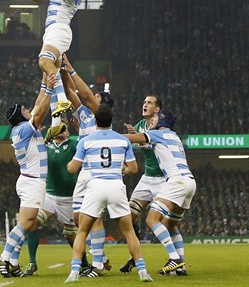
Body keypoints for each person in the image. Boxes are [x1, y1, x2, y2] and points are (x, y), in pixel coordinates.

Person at [64, 104, 152, 283]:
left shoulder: (86, 141)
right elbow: (134, 169)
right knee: (128, 232)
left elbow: (73, 168)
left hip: (95, 186)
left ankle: (74, 273)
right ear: (112, 120)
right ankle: (142, 271)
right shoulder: (123, 140)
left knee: (82, 231)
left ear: (95, 121)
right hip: (115, 186)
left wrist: (69, 164)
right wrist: (123, 171)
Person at [0, 73, 56, 278]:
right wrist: (51, 90)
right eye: (25, 110)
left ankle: (12, 262)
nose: (29, 109)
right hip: (32, 182)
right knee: (26, 223)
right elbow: (40, 111)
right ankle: (3, 257)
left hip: (30, 180)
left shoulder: (22, 129)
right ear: (21, 116)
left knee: (27, 223)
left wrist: (45, 85)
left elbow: (37, 106)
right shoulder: (22, 129)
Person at [59, 55, 114, 276]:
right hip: (84, 173)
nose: (93, 95)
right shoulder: (84, 116)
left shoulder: (103, 117)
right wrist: (62, 70)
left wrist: (70, 67)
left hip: (97, 173)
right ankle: (100, 256)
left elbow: (84, 94)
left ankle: (98, 264)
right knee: (77, 218)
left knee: (94, 218)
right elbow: (72, 93)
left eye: (97, 95)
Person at [10, 0, 85, 119]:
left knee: (44, 61)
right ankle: (55, 123)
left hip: (59, 30)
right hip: (52, 32)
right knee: (46, 83)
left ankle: (63, 100)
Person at [124, 110, 196, 275]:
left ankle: (174, 258)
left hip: (176, 181)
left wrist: (107, 136)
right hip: (189, 182)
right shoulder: (173, 136)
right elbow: (145, 144)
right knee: (170, 225)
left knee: (152, 219)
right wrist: (141, 137)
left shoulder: (158, 134)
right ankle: (181, 266)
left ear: (161, 120)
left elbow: (132, 139)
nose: (152, 120)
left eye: (155, 117)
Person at [24, 118, 90, 275]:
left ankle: (85, 265)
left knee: (71, 236)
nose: (61, 129)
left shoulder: (74, 144)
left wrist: (80, 127)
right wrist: (37, 133)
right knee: (32, 224)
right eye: (58, 127)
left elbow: (86, 142)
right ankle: (32, 263)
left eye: (64, 127)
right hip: (50, 197)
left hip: (69, 199)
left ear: (67, 131)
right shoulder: (45, 147)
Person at [120, 95, 169, 274]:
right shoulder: (140, 125)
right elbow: (135, 143)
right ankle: (135, 257)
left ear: (157, 109)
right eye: (144, 102)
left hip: (164, 180)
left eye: (149, 103)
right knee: (129, 216)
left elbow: (152, 143)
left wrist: (138, 139)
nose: (145, 104)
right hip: (147, 178)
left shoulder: (162, 125)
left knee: (165, 223)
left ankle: (176, 259)